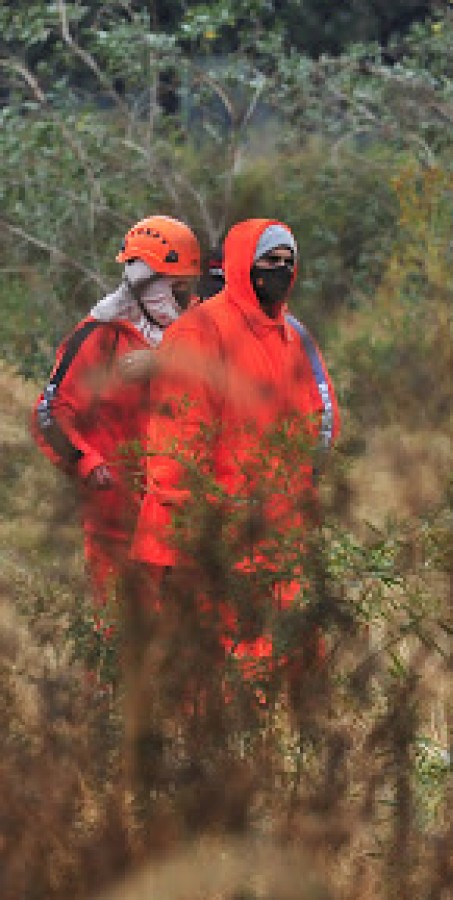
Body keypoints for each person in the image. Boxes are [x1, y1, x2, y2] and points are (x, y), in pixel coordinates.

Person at [129, 218, 340, 691]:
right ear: (244, 264)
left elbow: (320, 418)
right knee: (214, 658)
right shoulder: (200, 332)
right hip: (216, 527)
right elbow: (177, 441)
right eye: (269, 261)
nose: (280, 270)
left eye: (287, 261)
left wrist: (299, 491)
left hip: (277, 526)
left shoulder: (291, 335)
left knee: (287, 653)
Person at [32, 215, 203, 614]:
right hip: (118, 525)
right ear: (147, 284)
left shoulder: (199, 333)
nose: (186, 297)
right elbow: (49, 414)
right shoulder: (98, 336)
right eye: (177, 288)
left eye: (188, 286)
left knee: (188, 640)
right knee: (121, 636)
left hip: (186, 522)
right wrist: (87, 464)